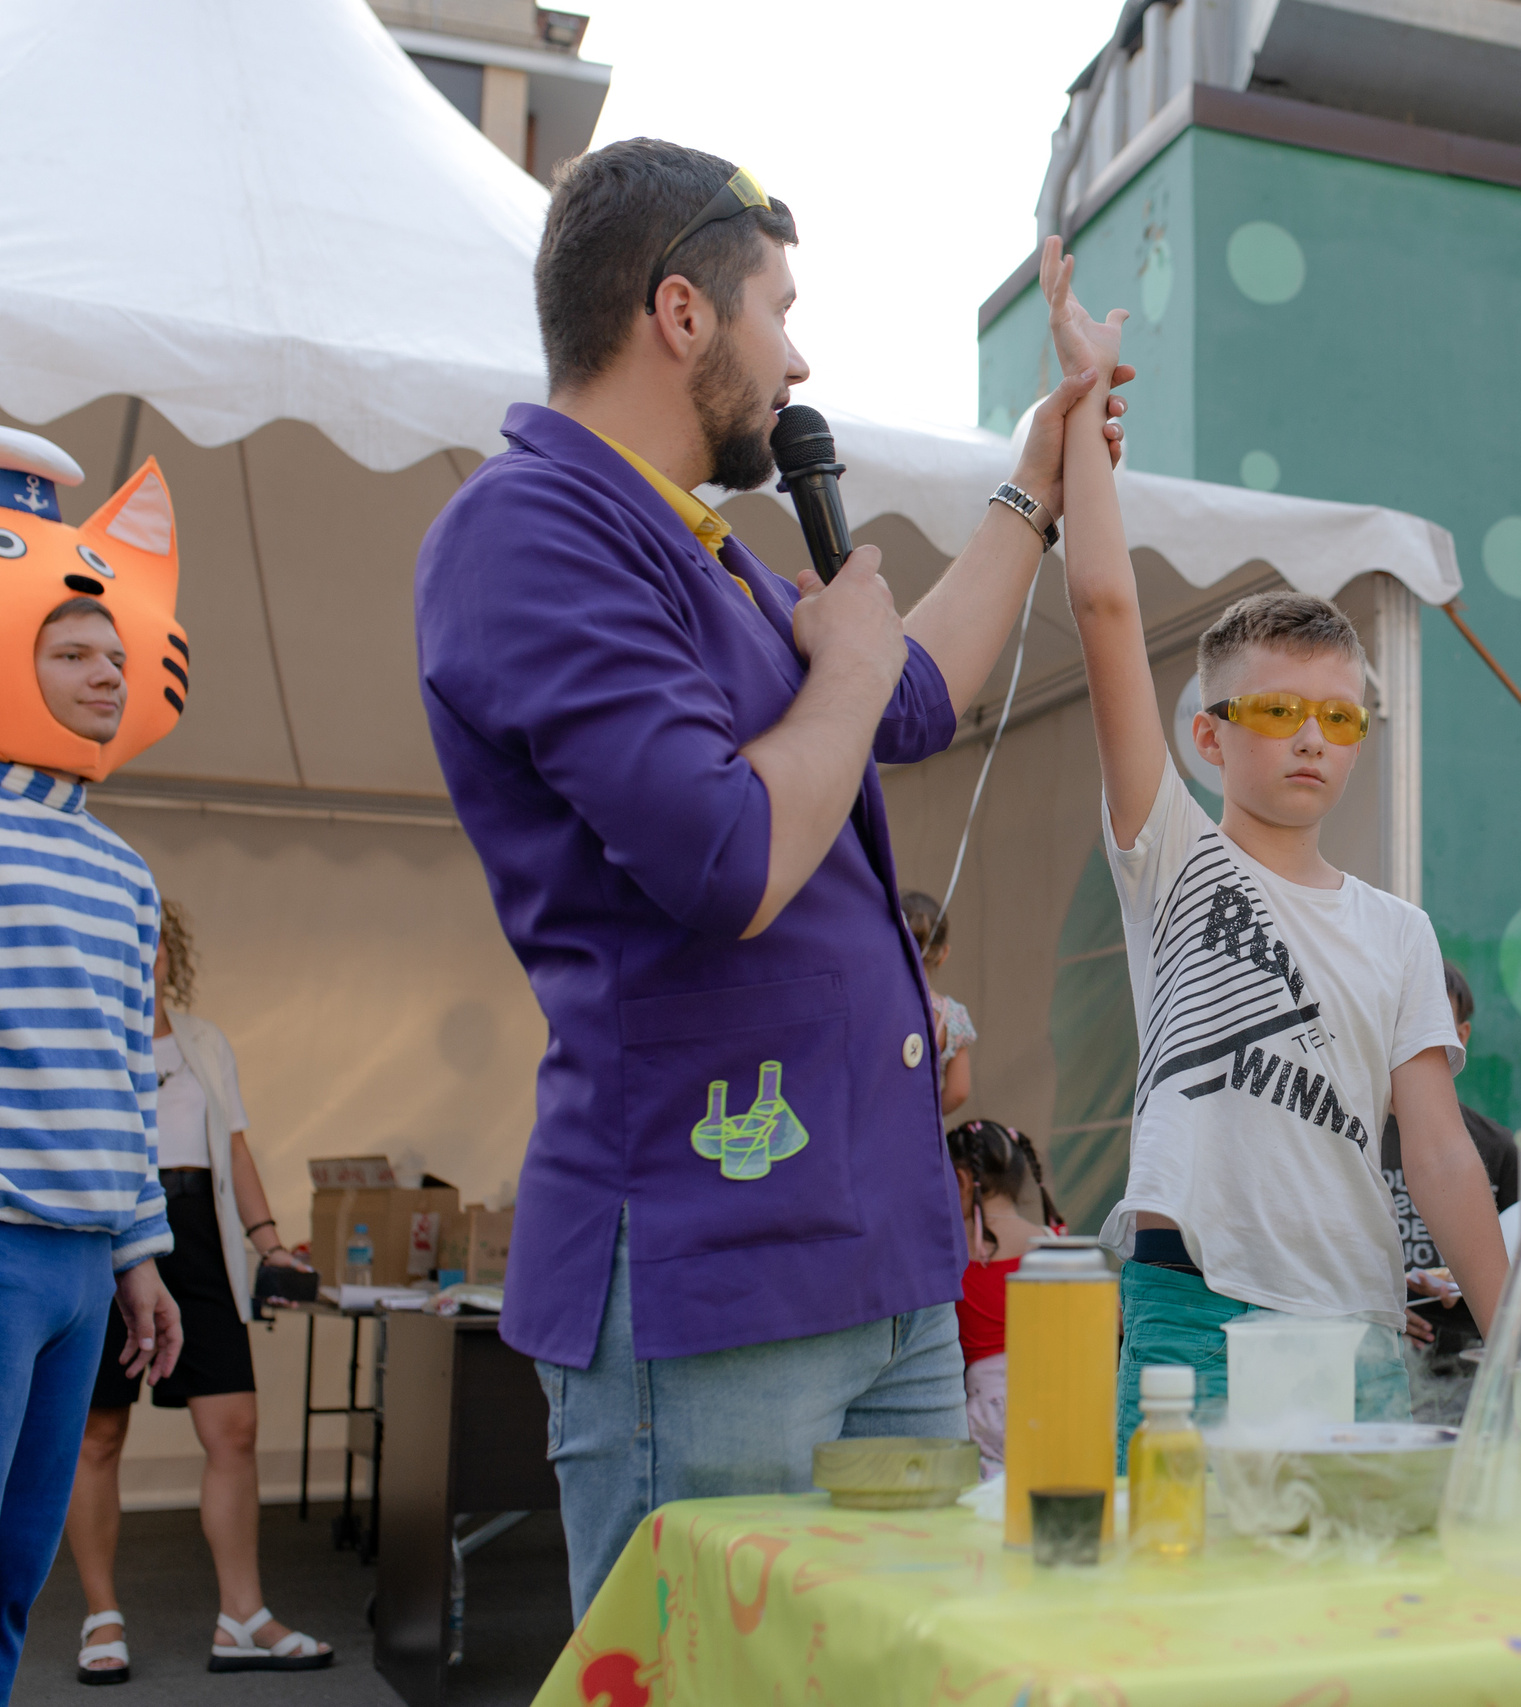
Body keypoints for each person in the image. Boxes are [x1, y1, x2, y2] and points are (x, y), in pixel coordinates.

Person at [412, 139, 1131, 1618]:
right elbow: (728, 851)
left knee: (897, 1662)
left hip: (880, 1262)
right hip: (713, 1269)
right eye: (779, 311)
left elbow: (904, 698)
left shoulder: (711, 556)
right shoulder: (529, 529)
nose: (798, 361)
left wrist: (1035, 481)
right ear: (682, 313)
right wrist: (848, 667)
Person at [1038, 238, 1507, 1458]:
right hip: (1194, 1304)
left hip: (1357, 1327)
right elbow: (1103, 608)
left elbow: (1440, 1150)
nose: (1311, 738)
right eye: (1279, 709)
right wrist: (1083, 405)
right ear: (1207, 735)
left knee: (1352, 1572)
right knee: (1184, 1566)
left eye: (1339, 718)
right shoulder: (1174, 859)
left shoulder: (1398, 932)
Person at [65, 901, 332, 1681]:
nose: (142, 955)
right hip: (111, 1238)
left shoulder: (205, 1041)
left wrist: (269, 1241)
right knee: (97, 1433)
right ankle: (101, 1615)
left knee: (235, 1428)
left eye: (152, 942)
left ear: (167, 954)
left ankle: (242, 1617)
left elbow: (235, 1152)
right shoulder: (84, 1036)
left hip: (199, 1240)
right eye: (126, 941)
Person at [0, 587, 182, 1699]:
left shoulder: (126, 871)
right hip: (4, 1239)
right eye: (71, 654)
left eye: (115, 656)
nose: (108, 674)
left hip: (82, 1266)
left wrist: (137, 1253)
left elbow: (130, 1075)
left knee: (18, 1567)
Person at [1378, 961, 1518, 1361]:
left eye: (1430, 1027)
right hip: (1378, 1358)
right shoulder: (1354, 1139)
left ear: (1460, 1037)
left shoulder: (1498, 1148)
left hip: (1472, 1364)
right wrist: (1382, 1306)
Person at [945, 1120, 1064, 1478]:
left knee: (991, 1497)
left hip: (985, 1404)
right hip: (1053, 1396)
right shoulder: (1052, 1242)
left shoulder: (955, 1251)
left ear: (961, 1180)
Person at [904, 892, 976, 1116]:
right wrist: (922, 1117)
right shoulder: (953, 1017)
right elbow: (958, 1091)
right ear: (943, 954)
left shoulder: (875, 1002)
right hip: (914, 1129)